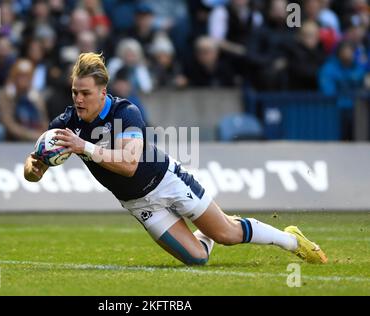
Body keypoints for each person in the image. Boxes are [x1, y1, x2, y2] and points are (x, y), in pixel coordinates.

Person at [23, 52, 328, 266]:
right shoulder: (66, 123)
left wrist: (84, 147)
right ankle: (209, 226)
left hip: (166, 180)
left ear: (103, 92)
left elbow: (129, 165)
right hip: (138, 204)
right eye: (75, 92)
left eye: (85, 93)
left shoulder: (125, 112)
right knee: (198, 259)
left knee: (228, 235)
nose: (78, 99)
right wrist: (35, 166)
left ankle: (291, 240)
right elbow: (32, 169)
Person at [0, 59, 49, 141]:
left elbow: (43, 120)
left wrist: (44, 134)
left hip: (36, 136)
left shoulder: (36, 96)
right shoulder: (7, 95)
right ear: (14, 77)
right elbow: (8, 123)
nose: (24, 80)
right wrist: (31, 135)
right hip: (14, 139)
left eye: (27, 76)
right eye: (21, 76)